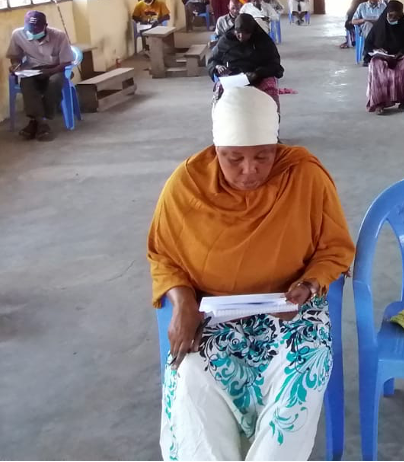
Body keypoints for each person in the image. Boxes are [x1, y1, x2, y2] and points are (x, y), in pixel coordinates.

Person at [149, 85, 355, 461]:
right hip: (213, 317)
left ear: (276, 146)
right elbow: (164, 256)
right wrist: (182, 303)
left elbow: (334, 248)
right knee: (191, 375)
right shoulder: (187, 184)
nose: (249, 170)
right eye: (233, 159)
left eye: (263, 156)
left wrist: (309, 284)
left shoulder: (303, 176)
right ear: (216, 151)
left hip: (293, 314)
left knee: (302, 367)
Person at [5, 10, 75, 142]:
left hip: (55, 69)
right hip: (32, 70)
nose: (33, 33)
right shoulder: (18, 34)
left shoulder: (59, 36)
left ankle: (35, 122)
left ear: (45, 26)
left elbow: (66, 61)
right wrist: (15, 65)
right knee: (27, 84)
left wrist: (50, 71)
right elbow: (15, 56)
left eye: (37, 30)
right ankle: (42, 123)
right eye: (30, 30)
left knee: (54, 83)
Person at [208, 14, 283, 106]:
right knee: (220, 90)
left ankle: (273, 113)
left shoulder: (263, 41)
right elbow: (213, 59)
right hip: (233, 77)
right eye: (238, 32)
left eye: (246, 33)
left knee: (270, 89)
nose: (241, 36)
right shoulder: (227, 39)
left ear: (253, 31)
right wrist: (217, 66)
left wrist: (257, 73)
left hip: (259, 76)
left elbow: (274, 63)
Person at [364, 0, 404, 115]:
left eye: (397, 17)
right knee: (376, 64)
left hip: (400, 56)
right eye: (391, 15)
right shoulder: (379, 26)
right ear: (386, 13)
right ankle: (379, 102)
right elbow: (368, 44)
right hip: (382, 57)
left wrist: (400, 53)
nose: (393, 19)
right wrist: (377, 50)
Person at [351, 0, 386, 64]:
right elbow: (353, 21)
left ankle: (369, 54)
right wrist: (363, 20)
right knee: (368, 24)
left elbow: (386, 20)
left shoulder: (383, 6)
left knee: (378, 27)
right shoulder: (362, 6)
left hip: (379, 29)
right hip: (365, 29)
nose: (373, 0)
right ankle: (369, 53)